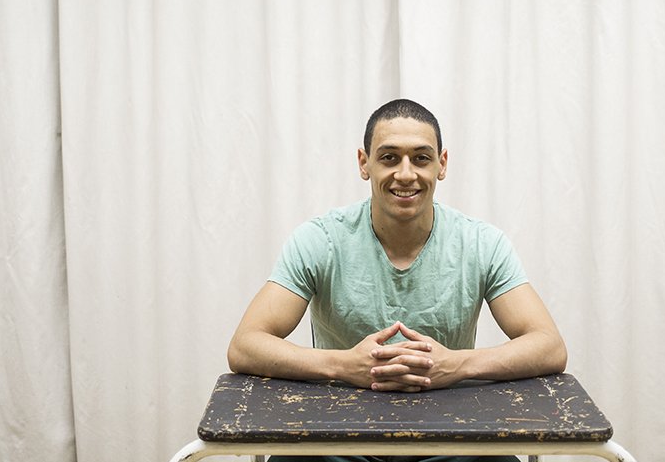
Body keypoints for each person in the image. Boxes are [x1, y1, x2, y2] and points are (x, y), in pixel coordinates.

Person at [227, 98, 567, 395]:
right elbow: (245, 345)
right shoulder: (319, 240)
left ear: (442, 164)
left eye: (421, 158)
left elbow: (549, 346)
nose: (405, 174)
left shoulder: (482, 244)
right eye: (389, 158)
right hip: (336, 429)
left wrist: (455, 365)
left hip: (451, 429)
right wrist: (343, 365)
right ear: (364, 163)